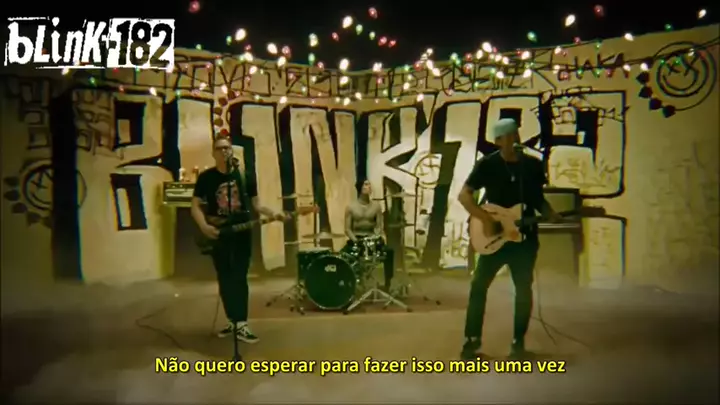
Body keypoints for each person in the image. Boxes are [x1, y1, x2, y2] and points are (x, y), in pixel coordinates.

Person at [457, 118, 562, 360]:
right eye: (507, 136)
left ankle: (518, 345)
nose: (513, 139)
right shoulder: (487, 164)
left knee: (523, 289)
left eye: (515, 134)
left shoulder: (532, 165)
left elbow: (537, 198)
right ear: (498, 141)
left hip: (524, 238)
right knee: (478, 286)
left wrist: (549, 213)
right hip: (495, 236)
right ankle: (471, 343)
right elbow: (464, 196)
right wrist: (485, 218)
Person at [190, 136, 286, 343]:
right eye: (219, 148)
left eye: (227, 148)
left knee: (240, 276)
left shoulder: (244, 176)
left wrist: (273, 213)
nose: (224, 151)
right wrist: (204, 226)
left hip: (242, 231)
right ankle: (231, 320)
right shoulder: (206, 178)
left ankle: (242, 323)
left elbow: (257, 205)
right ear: (213, 153)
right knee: (224, 276)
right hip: (219, 232)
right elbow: (195, 206)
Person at [343, 179, 395, 290]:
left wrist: (376, 236)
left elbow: (379, 226)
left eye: (369, 184)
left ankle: (387, 284)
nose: (369, 187)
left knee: (389, 252)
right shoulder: (351, 207)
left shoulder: (376, 206)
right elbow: (347, 229)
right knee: (342, 256)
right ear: (360, 188)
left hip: (372, 239)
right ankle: (349, 285)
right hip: (357, 239)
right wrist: (356, 240)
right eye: (366, 184)